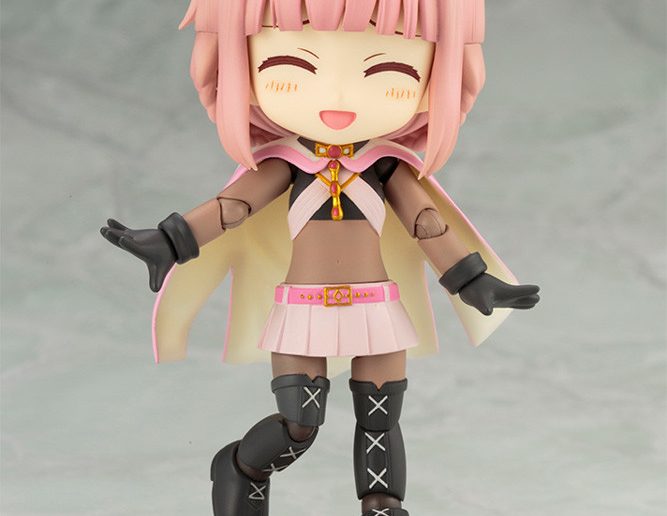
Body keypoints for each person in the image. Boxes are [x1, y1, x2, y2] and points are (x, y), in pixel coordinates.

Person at [100, 1, 540, 515]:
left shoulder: (386, 167)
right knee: (299, 424)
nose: (337, 99)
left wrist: (471, 280)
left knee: (380, 416)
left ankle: (382, 504)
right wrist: (170, 241)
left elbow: (428, 225)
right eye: (291, 68)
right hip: (303, 306)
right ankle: (242, 469)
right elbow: (230, 209)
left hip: (375, 305)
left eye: (389, 73)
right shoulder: (286, 164)